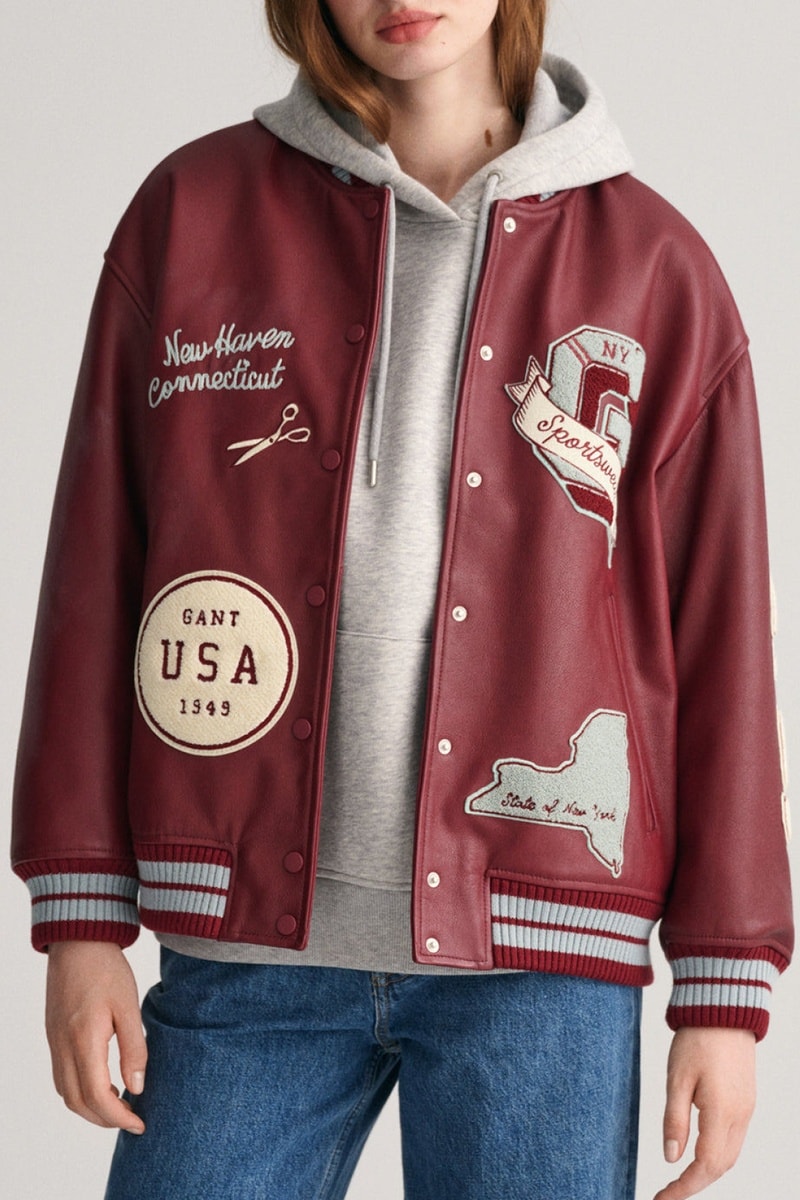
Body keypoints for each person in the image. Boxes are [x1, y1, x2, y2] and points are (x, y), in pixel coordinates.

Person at [11, 2, 793, 1198]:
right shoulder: (192, 215)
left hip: (541, 969)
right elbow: (95, 569)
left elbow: (721, 641)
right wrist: (80, 918)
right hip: (241, 953)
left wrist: (723, 986)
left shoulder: (655, 267)